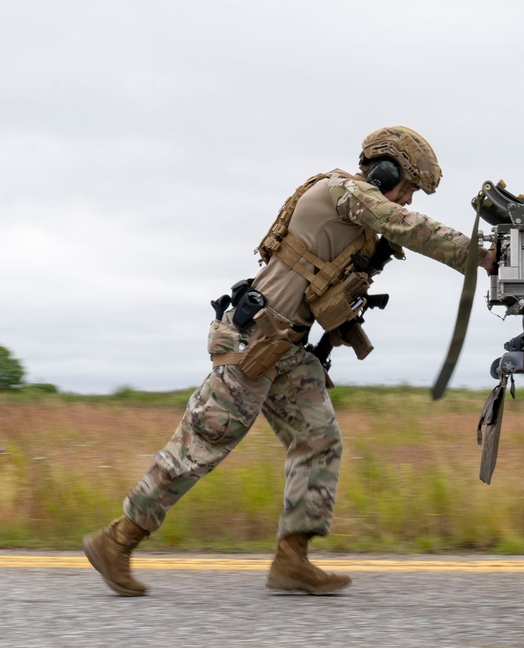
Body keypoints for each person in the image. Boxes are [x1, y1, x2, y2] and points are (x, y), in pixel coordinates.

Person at [83, 126, 496, 596]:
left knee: (319, 440)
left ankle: (292, 560)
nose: (407, 199)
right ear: (385, 171)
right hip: (253, 342)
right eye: (408, 187)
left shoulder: (359, 222)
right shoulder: (342, 192)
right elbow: (409, 227)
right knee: (202, 445)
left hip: (288, 349)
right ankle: (116, 540)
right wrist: (479, 254)